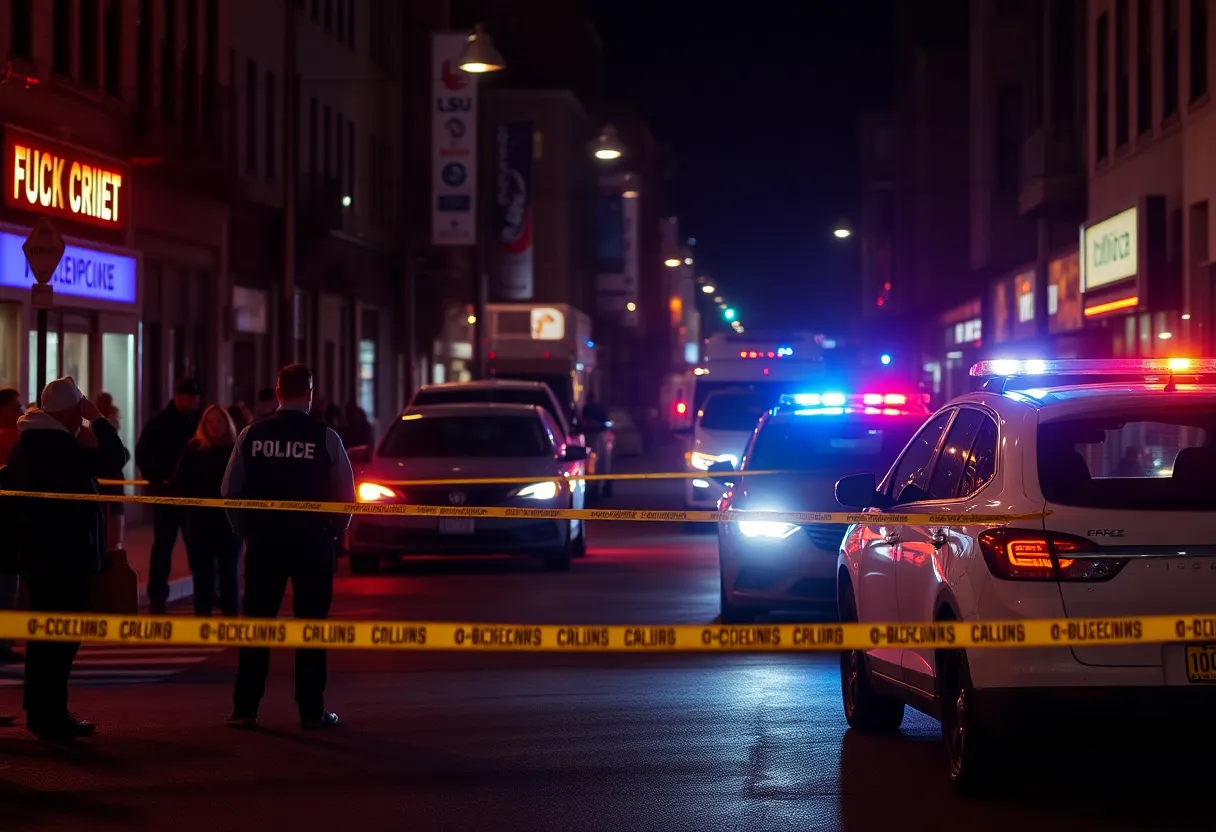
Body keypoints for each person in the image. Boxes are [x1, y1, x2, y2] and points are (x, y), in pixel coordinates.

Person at [221, 364, 354, 730]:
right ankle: (311, 711)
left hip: (264, 543)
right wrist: (332, 531)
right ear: (309, 394)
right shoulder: (325, 436)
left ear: (278, 393)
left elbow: (231, 489)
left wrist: (245, 531)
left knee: (258, 626)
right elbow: (346, 494)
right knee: (311, 628)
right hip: (312, 544)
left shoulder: (252, 433)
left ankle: (245, 708)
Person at [2, 377, 126, 740]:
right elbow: (114, 459)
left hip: (41, 555)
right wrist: (99, 420)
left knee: (44, 638)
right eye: (80, 408)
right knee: (60, 639)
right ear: (70, 410)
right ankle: (51, 714)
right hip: (64, 556)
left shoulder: (33, 442)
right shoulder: (56, 445)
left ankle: (40, 712)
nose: (82, 415)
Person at [135, 378, 202, 613]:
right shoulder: (160, 422)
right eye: (190, 397)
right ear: (178, 396)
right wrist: (157, 479)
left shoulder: (199, 420)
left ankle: (204, 592)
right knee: (163, 547)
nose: (194, 401)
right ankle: (157, 597)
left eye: (196, 398)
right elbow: (143, 453)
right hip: (167, 493)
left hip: (193, 494)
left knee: (197, 547)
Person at [171, 405, 242, 618]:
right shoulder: (194, 449)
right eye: (210, 422)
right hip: (200, 523)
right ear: (203, 425)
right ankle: (202, 617)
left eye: (219, 422)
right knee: (203, 574)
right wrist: (189, 508)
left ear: (226, 424)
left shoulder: (235, 449)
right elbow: (178, 482)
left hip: (229, 523)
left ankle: (230, 617)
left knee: (229, 572)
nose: (215, 426)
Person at [0, 388, 24, 690]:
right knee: (5, 583)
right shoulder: (10, 439)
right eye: (16, 405)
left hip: (11, 522)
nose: (20, 409)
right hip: (6, 524)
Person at [93, 392, 132, 550]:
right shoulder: (102, 441)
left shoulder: (99, 438)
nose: (119, 423)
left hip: (113, 495)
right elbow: (121, 456)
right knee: (112, 541)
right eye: (117, 419)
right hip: (108, 497)